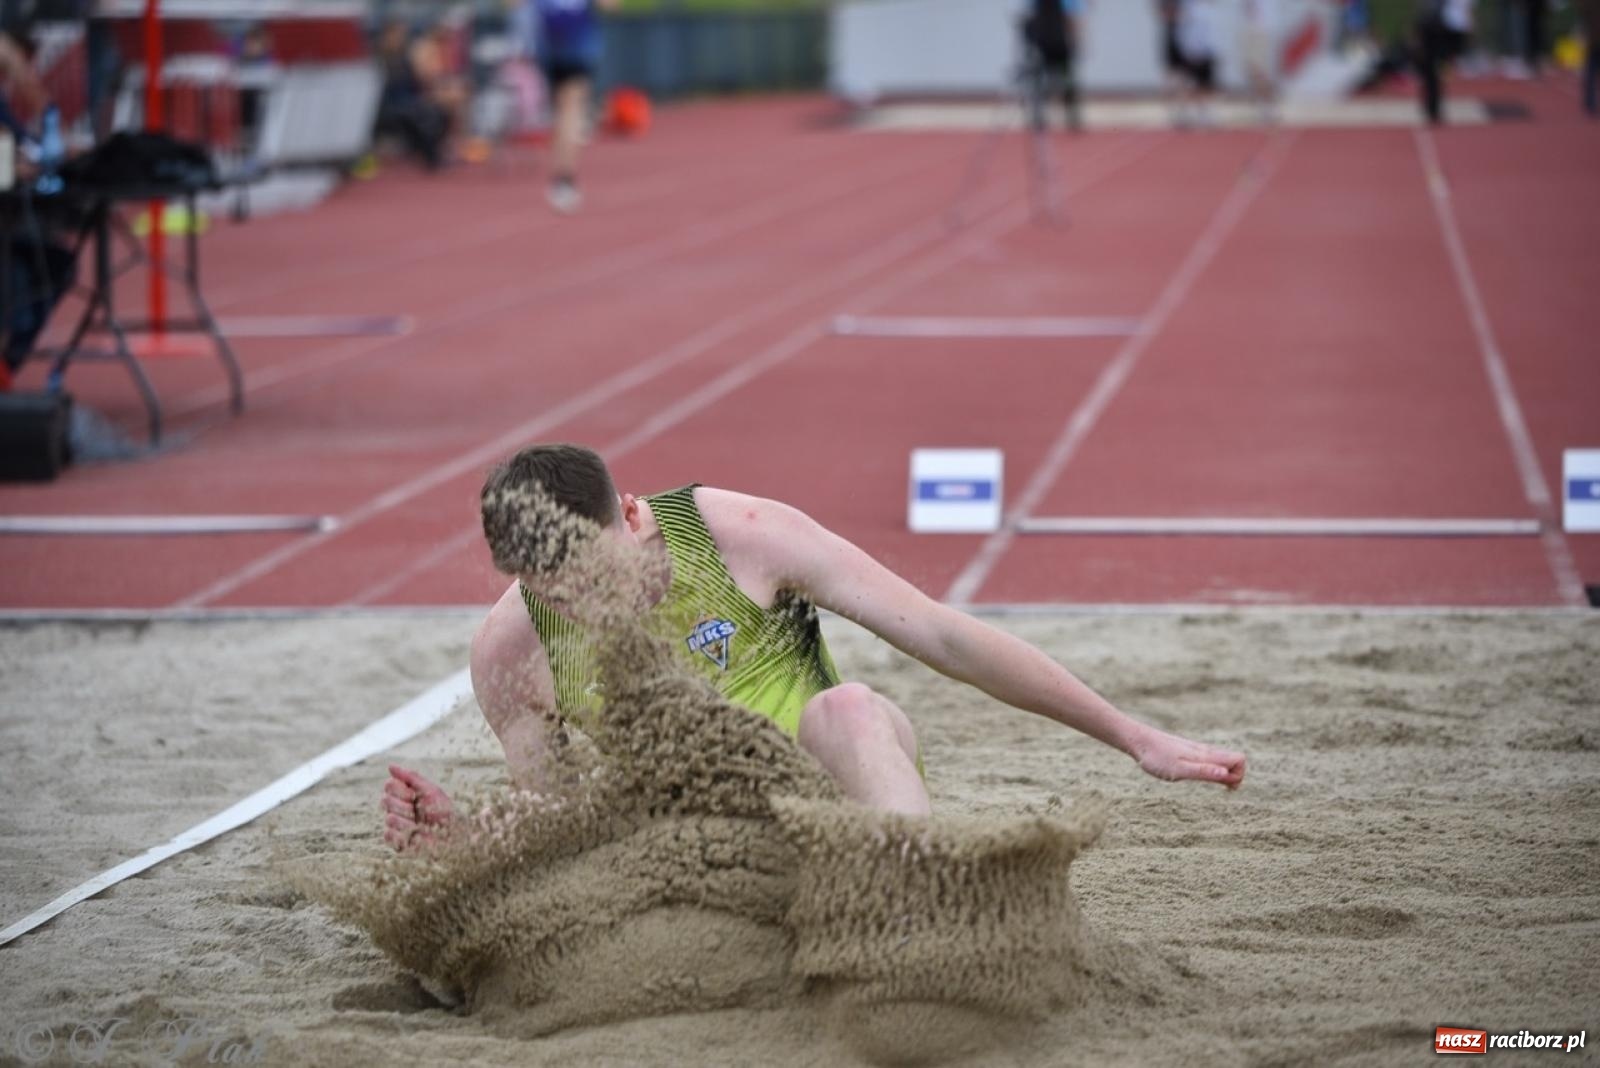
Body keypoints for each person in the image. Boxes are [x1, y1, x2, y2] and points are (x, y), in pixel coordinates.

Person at [383, 443, 1247, 850]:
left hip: (834, 798)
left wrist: (1136, 736)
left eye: (593, 574)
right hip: (689, 853)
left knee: (853, 707)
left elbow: (943, 635)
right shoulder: (510, 653)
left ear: (636, 518)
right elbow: (563, 824)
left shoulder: (743, 535)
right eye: (552, 591)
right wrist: (468, 835)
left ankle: (915, 902)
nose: (582, 604)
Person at [523, 0, 618, 213]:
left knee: (560, 111)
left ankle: (560, 174)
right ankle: (565, 177)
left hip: (548, 45)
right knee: (571, 110)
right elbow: (611, 6)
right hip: (577, 46)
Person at [1021, 0, 1086, 133]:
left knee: (1057, 81)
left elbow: (1028, 19)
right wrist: (1077, 42)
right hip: (1057, 45)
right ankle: (1070, 117)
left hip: (1045, 45)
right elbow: (1073, 20)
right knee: (1064, 80)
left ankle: (1043, 117)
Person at [1414, 0, 1472, 125]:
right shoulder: (1429, 11)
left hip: (1439, 33)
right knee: (1430, 75)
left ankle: (1434, 107)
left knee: (1436, 75)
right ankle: (1431, 107)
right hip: (1430, 32)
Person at [1581, 0, 1600, 117]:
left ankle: (1590, 102)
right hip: (1594, 38)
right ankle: (1590, 102)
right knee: (1591, 70)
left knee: (1591, 70)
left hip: (1593, 38)